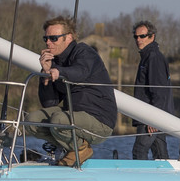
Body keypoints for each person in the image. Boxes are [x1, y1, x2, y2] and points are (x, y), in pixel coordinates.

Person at [25, 16, 116, 166]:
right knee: (31, 120)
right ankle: (77, 149)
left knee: (59, 121)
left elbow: (80, 71)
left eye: (53, 38)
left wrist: (58, 71)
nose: (48, 42)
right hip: (72, 116)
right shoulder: (54, 62)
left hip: (99, 119)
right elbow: (50, 103)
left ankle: (79, 150)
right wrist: (46, 74)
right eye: (46, 38)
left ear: (68, 38)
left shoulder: (84, 52)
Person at [130, 20, 173, 160]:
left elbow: (159, 91)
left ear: (152, 36)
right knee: (161, 154)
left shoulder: (153, 57)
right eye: (136, 37)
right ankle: (167, 179)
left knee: (139, 151)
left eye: (142, 36)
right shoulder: (147, 57)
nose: (138, 40)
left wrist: (153, 118)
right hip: (152, 115)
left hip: (150, 116)